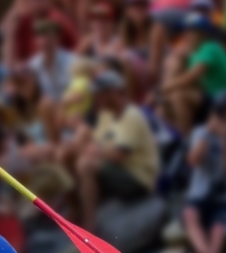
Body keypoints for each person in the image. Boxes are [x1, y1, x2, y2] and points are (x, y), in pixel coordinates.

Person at [62, 70, 158, 233]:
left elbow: (117, 156)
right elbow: (96, 141)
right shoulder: (107, 114)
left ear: (113, 93)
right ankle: (77, 210)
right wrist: (79, 135)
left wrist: (92, 150)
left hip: (137, 176)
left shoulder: (131, 115)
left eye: (101, 94)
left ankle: (90, 226)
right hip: (118, 169)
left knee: (86, 165)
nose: (97, 98)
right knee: (69, 154)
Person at [183, 92, 226, 253]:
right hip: (200, 194)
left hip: (225, 197)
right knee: (190, 214)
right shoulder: (201, 133)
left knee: (219, 228)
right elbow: (193, 161)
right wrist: (209, 135)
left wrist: (225, 140)